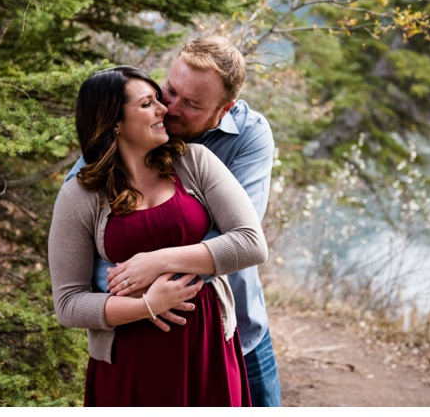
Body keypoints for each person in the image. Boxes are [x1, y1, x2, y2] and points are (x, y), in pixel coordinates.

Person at [63, 36, 282, 406]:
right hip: (133, 341)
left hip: (233, 328)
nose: (169, 108)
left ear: (224, 109)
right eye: (169, 90)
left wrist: (156, 264)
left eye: (192, 104)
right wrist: (135, 295)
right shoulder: (131, 118)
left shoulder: (243, 139)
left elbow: (242, 240)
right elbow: (79, 257)